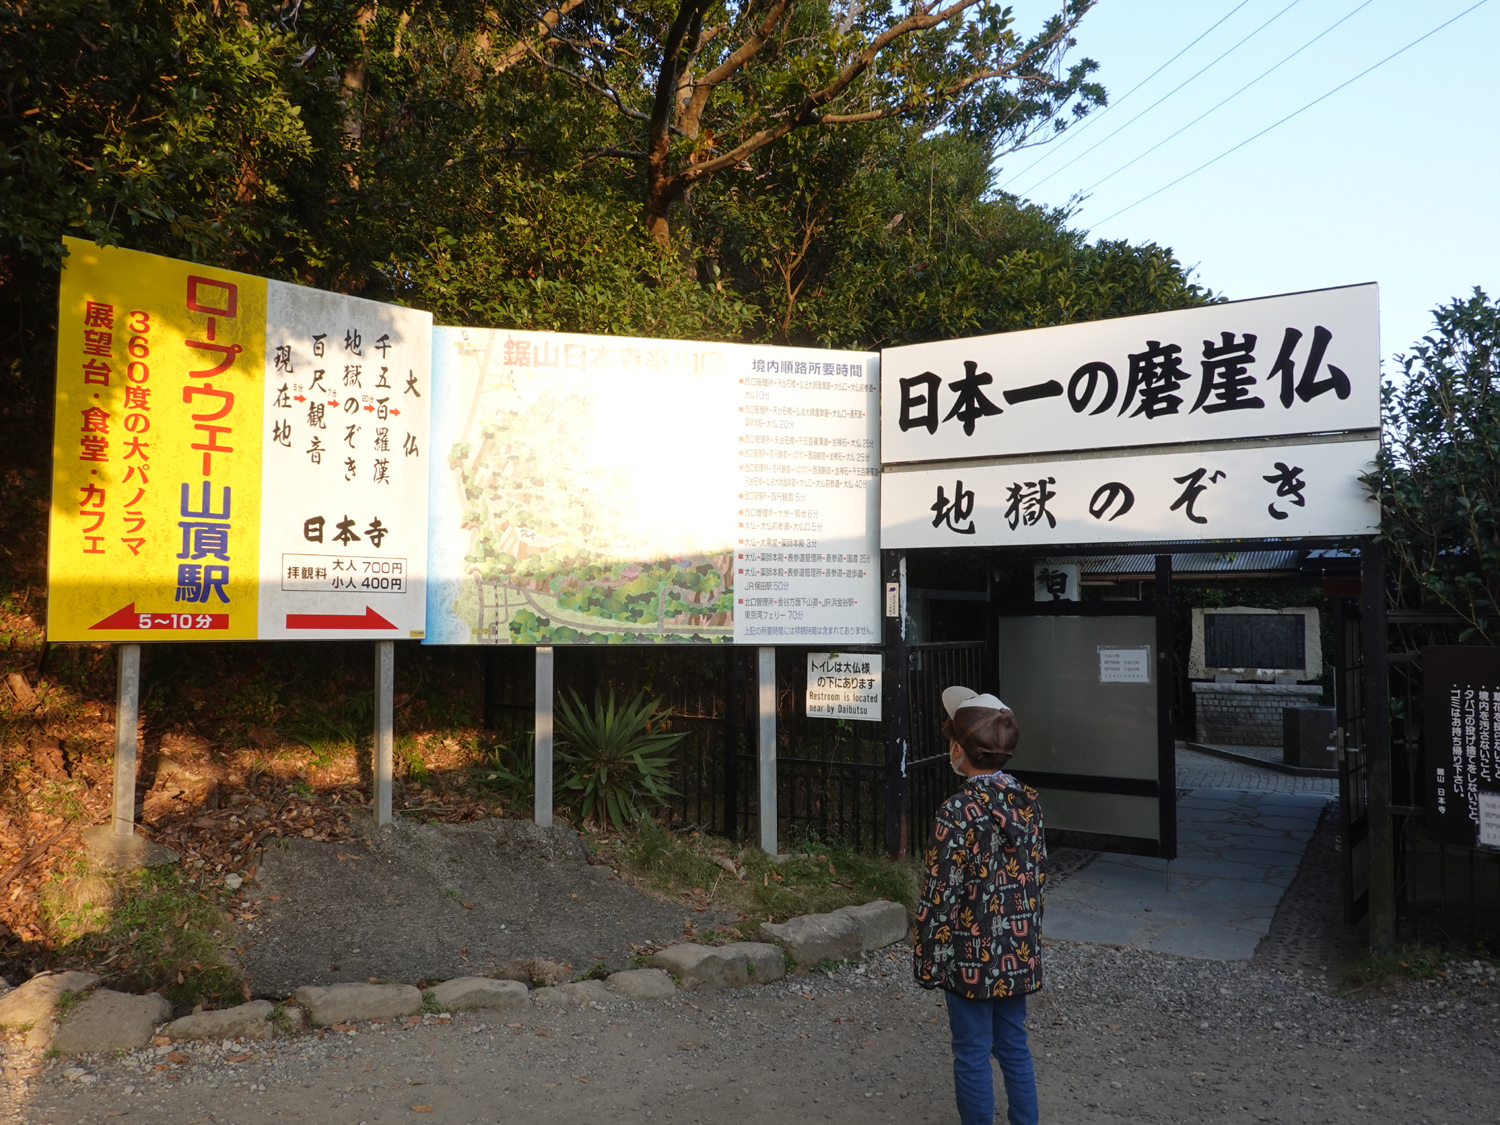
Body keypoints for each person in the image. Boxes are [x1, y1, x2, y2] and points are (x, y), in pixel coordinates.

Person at [913, 686, 1046, 1125]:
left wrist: (928, 960)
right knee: (1013, 1044)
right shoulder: (1027, 804)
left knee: (970, 1051)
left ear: (958, 748)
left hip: (969, 953)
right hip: (1019, 949)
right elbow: (1037, 878)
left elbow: (940, 893)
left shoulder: (957, 811)